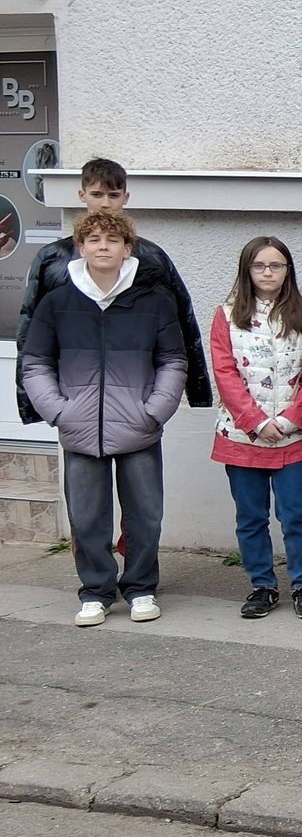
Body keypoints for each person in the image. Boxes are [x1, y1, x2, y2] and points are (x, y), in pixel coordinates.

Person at [19, 209, 186, 627]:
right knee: (86, 517)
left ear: (128, 249)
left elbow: (173, 360)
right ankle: (95, 591)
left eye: (112, 240)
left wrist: (154, 411)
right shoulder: (58, 302)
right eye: (93, 240)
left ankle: (142, 588)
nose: (103, 247)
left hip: (138, 428)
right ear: (81, 248)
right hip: (79, 430)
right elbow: (36, 363)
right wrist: (59, 411)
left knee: (145, 515)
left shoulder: (153, 301)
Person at [15, 157, 209, 426]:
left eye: (113, 195)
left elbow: (182, 324)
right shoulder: (53, 258)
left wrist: (196, 395)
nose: (105, 203)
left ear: (125, 197)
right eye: (97, 194)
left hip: (135, 392)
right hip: (75, 395)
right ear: (82, 195)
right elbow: (31, 329)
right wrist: (37, 404)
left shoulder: (151, 258)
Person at [208, 237, 302, 622]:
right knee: (251, 517)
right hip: (243, 436)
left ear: (287, 270)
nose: (267, 273)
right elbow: (225, 372)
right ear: (247, 270)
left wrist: (292, 418)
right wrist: (256, 422)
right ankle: (262, 585)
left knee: (297, 514)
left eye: (276, 266)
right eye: (259, 266)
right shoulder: (227, 315)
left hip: (294, 435)